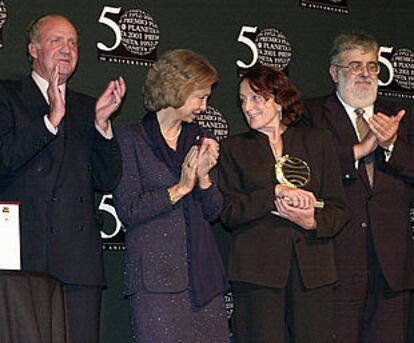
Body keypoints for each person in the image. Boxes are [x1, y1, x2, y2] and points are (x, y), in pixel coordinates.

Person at [0, 14, 126, 343]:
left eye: (73, 42)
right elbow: (4, 160)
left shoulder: (88, 107)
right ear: (33, 49)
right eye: (57, 40)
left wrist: (102, 127)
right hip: (23, 257)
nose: (67, 48)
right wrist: (50, 121)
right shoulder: (7, 98)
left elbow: (108, 179)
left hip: (77, 261)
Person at [218, 64, 347, 343]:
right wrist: (273, 193)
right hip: (257, 276)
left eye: (255, 98)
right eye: (242, 100)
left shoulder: (317, 142)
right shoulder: (233, 149)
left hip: (313, 273)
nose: (247, 107)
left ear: (278, 100)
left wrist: (312, 221)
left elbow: (338, 209)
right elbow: (228, 212)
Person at [302, 32, 414, 343]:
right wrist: (357, 151)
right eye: (355, 65)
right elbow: (303, 172)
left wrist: (391, 144)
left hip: (391, 267)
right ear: (334, 72)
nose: (365, 74)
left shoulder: (401, 117)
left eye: (372, 66)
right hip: (336, 262)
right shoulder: (310, 116)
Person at [112, 49, 230, 343]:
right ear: (176, 89)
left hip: (203, 280)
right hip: (156, 282)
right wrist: (179, 188)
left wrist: (203, 178)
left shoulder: (200, 138)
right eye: (200, 97)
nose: (204, 107)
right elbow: (128, 209)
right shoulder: (130, 139)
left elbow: (215, 211)